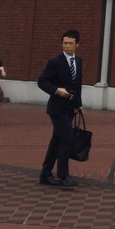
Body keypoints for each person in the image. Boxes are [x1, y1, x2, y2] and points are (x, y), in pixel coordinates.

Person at [37, 30, 83, 188]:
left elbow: (77, 85)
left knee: (57, 141)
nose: (67, 46)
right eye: (65, 43)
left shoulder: (79, 61)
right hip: (57, 109)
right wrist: (56, 90)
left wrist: (79, 104)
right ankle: (63, 176)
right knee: (67, 138)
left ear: (77, 44)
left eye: (70, 43)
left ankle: (45, 175)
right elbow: (42, 81)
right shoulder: (55, 62)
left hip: (70, 108)